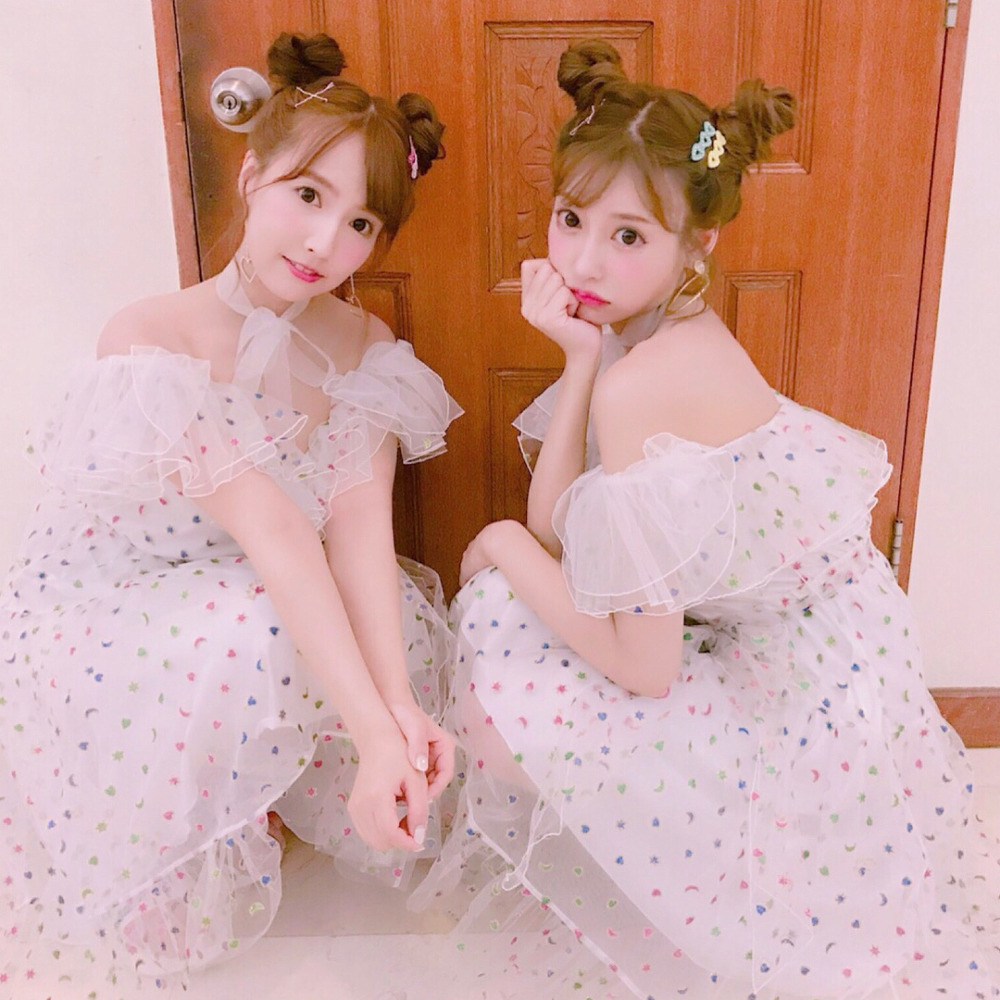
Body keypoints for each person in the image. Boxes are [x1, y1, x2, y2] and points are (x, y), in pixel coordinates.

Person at [412, 39, 1000, 1000]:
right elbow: (562, 530)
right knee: (510, 601)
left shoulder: (651, 379)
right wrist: (577, 359)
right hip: (789, 641)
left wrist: (498, 544)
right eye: (571, 219)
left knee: (502, 628)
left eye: (629, 237)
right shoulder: (645, 332)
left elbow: (641, 665)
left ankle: (684, 898)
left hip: (803, 694)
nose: (582, 262)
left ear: (701, 244)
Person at [0, 31, 461, 991]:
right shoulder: (150, 334)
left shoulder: (363, 342)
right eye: (308, 196)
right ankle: (192, 846)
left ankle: (289, 796)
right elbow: (275, 528)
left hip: (258, 579)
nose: (326, 244)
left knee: (379, 626)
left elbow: (358, 533)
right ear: (251, 176)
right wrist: (373, 734)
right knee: (255, 622)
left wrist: (400, 707)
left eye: (362, 222)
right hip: (123, 596)